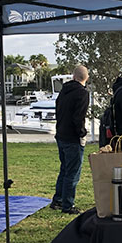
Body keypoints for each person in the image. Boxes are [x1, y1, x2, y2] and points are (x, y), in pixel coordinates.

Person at [51, 65, 90, 214]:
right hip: (73, 138)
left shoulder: (64, 92)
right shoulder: (82, 93)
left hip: (61, 135)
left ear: (73, 76)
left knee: (65, 169)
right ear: (86, 78)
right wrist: (82, 134)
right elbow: (78, 117)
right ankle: (68, 205)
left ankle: (58, 200)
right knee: (73, 173)